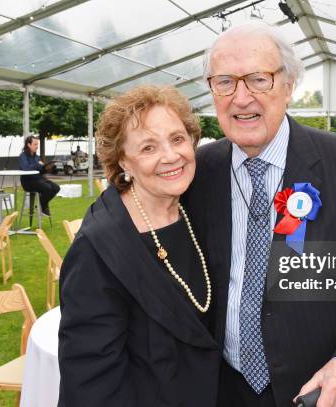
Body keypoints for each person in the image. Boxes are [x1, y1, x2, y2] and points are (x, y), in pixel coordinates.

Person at [185, 23, 336, 407]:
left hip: (320, 392)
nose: (241, 98)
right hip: (220, 390)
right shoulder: (196, 172)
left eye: (259, 79)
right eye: (224, 82)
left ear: (289, 86)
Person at [58, 86, 219, 406]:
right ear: (123, 162)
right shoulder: (98, 249)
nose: (171, 156)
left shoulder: (192, 209)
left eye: (177, 138)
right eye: (148, 147)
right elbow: (91, 382)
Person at [18, 136, 60, 216]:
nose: (37, 146)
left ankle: (40, 206)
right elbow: (26, 168)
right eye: (35, 144)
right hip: (28, 182)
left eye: (37, 144)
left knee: (56, 187)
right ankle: (43, 207)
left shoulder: (36, 157)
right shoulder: (22, 156)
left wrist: (47, 168)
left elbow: (41, 170)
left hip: (39, 179)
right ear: (29, 145)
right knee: (47, 188)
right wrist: (38, 165)